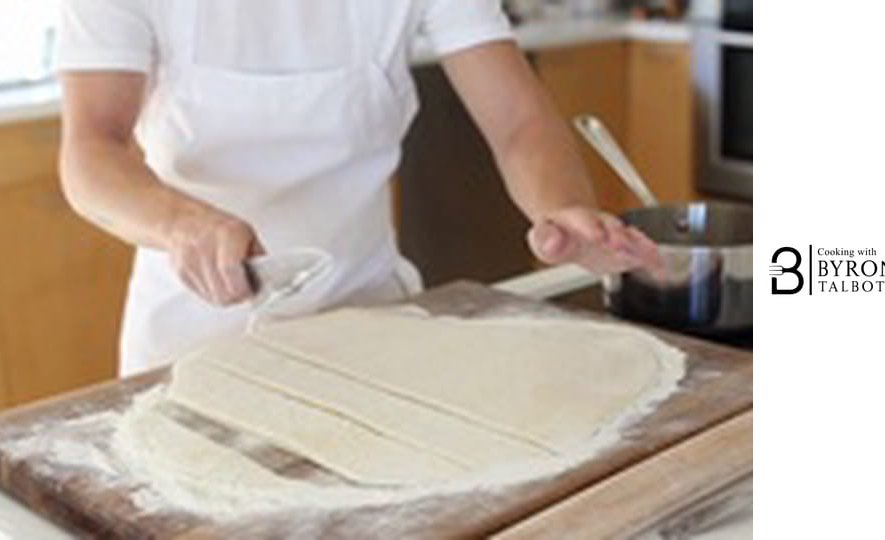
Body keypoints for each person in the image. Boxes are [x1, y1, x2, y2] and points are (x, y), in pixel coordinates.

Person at [56, 0, 660, 376]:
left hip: (373, 327)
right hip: (189, 344)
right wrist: (180, 224)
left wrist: (562, 207)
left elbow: (519, 120)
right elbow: (90, 151)